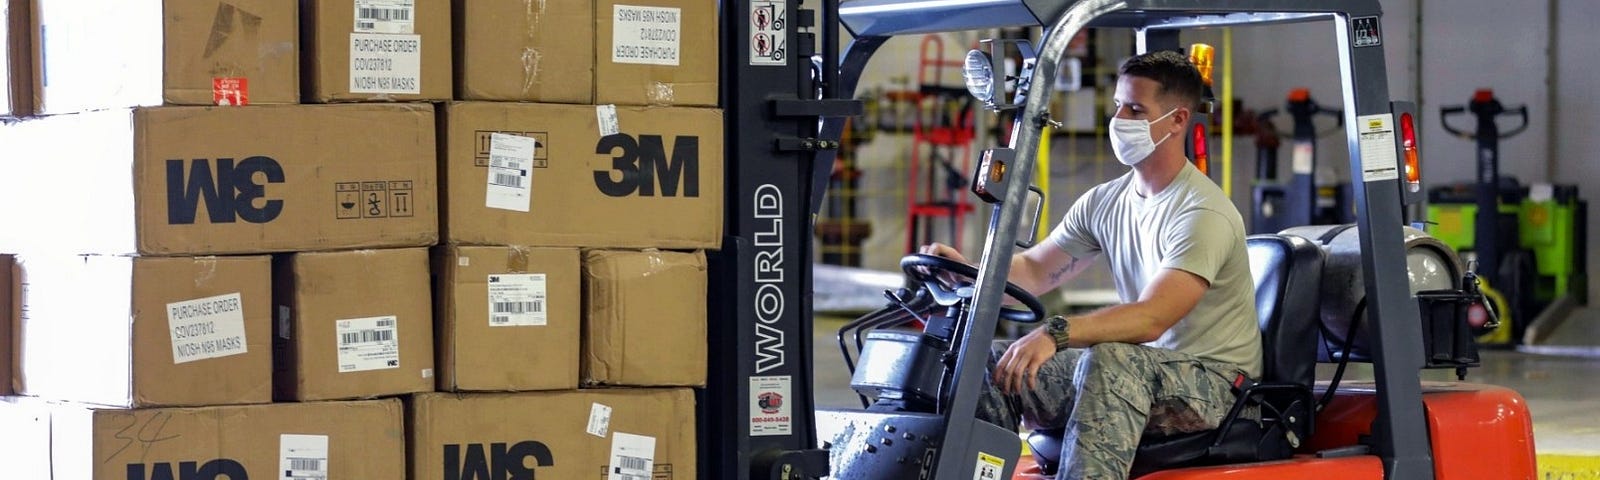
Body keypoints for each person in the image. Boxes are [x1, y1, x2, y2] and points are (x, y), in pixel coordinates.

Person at [920, 50, 1261, 480]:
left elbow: (1153, 318)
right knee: (992, 363)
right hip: (1146, 371)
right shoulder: (1106, 201)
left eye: (1136, 109)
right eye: (1117, 105)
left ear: (1177, 120)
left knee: (1110, 362)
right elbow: (1036, 271)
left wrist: (1056, 333)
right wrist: (967, 272)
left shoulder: (1201, 212)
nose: (1119, 119)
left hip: (1216, 385)